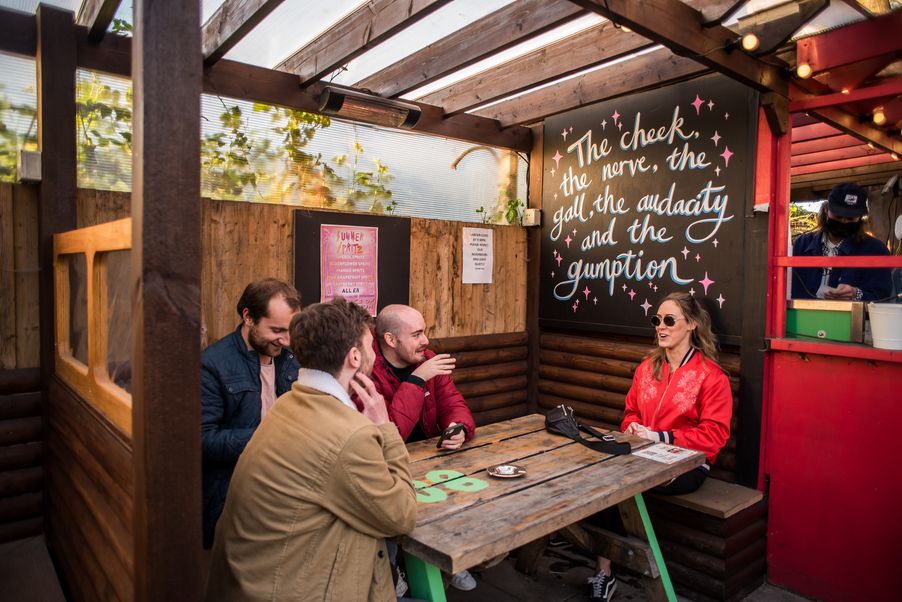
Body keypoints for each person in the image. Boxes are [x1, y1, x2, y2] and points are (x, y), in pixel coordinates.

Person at [205, 297, 417, 601]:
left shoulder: (287, 403)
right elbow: (402, 515)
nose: (375, 355)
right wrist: (384, 427)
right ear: (354, 357)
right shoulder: (350, 434)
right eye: (370, 347)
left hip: (251, 582)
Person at [587, 292, 732, 602]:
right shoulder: (647, 368)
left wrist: (661, 437)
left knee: (617, 486)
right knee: (603, 480)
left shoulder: (711, 376)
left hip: (687, 464)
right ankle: (605, 571)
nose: (661, 327)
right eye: (657, 320)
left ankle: (610, 569)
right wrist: (634, 429)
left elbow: (714, 435)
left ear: (692, 324)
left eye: (669, 320)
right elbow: (630, 412)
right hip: (640, 454)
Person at [370, 304, 478, 591]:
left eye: (425, 332)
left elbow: (453, 403)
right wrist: (418, 379)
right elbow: (391, 432)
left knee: (468, 488)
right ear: (391, 340)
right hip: (388, 465)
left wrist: (457, 427)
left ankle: (450, 558)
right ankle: (394, 574)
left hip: (431, 459)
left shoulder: (427, 360)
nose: (426, 341)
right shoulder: (371, 371)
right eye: (417, 334)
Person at [200, 278, 301, 549]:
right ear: (248, 317)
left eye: (289, 330)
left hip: (285, 488)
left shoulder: (290, 356)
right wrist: (267, 436)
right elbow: (203, 440)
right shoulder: (212, 365)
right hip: (235, 497)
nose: (286, 340)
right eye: (277, 330)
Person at [792, 182, 892, 301]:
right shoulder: (801, 244)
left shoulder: (876, 250)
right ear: (826, 210)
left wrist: (857, 294)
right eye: (838, 216)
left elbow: (884, 297)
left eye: (850, 218)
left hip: (851, 318)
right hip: (802, 316)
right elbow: (786, 287)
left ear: (860, 218)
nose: (844, 221)